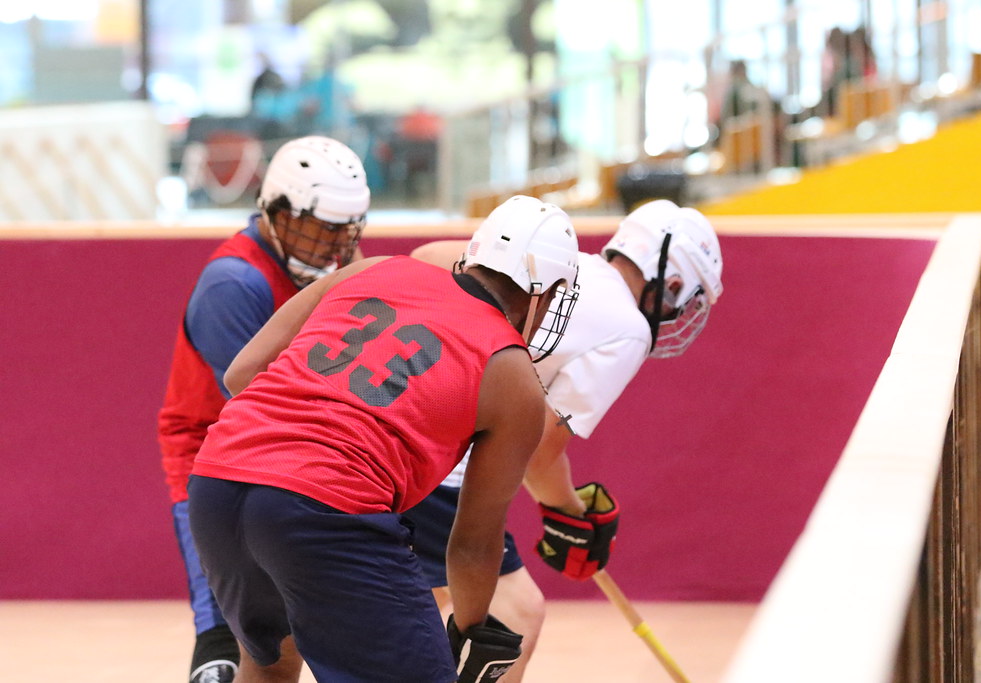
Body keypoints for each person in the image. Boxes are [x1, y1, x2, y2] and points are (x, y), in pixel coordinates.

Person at [186, 195, 581, 683]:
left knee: (269, 670)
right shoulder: (513, 372)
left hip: (217, 481)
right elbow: (474, 545)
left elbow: (242, 373)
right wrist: (470, 629)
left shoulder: (371, 268)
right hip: (324, 506)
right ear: (549, 292)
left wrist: (298, 435)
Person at [405, 199, 725, 682]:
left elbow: (425, 257)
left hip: (399, 443)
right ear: (674, 284)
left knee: (428, 600)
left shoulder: (567, 266)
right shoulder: (630, 331)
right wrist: (567, 512)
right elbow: (538, 448)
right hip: (442, 474)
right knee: (518, 613)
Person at [157, 135, 371, 683]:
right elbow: (260, 405)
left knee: (294, 634)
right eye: (321, 229)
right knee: (228, 638)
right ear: (276, 211)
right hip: (216, 464)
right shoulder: (234, 282)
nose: (333, 246)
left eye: (346, 232)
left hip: (289, 457)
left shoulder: (329, 265)